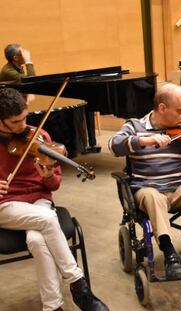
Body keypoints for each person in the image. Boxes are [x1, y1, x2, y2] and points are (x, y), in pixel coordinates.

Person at [0, 88, 108, 311]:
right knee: (49, 220)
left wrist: (47, 176)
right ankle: (79, 286)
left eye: (25, 118)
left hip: (39, 201)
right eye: (15, 122)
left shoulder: (40, 137)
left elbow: (54, 185)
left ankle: (53, 307)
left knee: (38, 241)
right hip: (6, 205)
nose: (23, 126)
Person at [109, 83, 181, 280]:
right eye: (180, 111)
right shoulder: (135, 126)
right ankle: (170, 253)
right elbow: (114, 145)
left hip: (179, 188)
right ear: (162, 108)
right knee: (152, 195)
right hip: (148, 190)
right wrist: (144, 140)